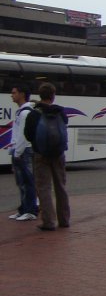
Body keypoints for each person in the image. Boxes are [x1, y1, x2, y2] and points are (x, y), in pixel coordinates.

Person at [24, 82, 70, 231]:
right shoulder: (61, 113)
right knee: (61, 186)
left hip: (40, 154)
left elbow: (28, 134)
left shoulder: (34, 114)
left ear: (40, 95)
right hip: (59, 154)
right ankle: (64, 220)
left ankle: (48, 221)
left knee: (44, 187)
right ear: (53, 96)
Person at [8, 83, 39, 222]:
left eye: (14, 92)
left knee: (27, 181)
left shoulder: (25, 112)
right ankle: (23, 209)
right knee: (21, 182)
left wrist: (17, 152)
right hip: (19, 150)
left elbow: (23, 135)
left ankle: (31, 210)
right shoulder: (20, 111)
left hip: (23, 151)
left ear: (21, 94)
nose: (12, 95)